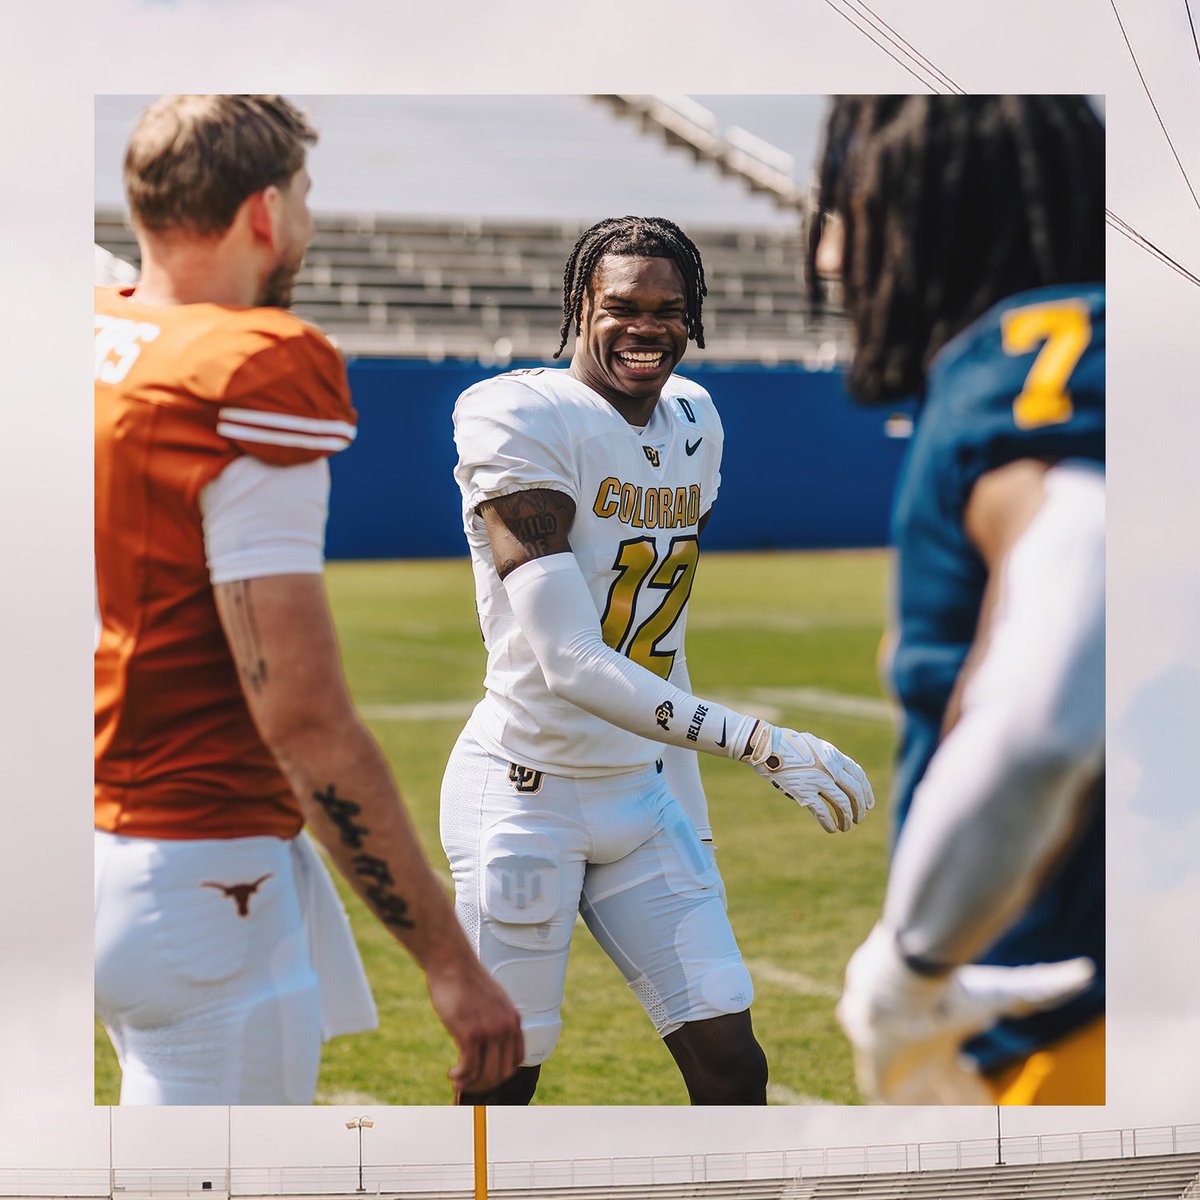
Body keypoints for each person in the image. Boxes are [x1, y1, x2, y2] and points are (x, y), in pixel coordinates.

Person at [94, 94, 523, 1105]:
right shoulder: (252, 371)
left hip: (94, 844)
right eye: (306, 196)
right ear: (264, 212)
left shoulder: (99, 339)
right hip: (202, 867)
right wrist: (450, 963)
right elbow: (304, 718)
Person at [443, 214, 875, 1105]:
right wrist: (761, 743)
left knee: (731, 1061)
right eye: (623, 306)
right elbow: (568, 656)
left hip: (640, 796)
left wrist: (694, 817)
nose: (647, 328)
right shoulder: (518, 414)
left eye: (669, 309)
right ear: (579, 306)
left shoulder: (696, 419)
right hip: (523, 798)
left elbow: (659, 644)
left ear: (695, 316)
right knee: (504, 1075)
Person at [809, 96, 1105, 1103]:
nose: (829, 257)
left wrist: (913, 964)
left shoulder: (1034, 366)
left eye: (845, 211)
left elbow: (1050, 706)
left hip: (1069, 1033)